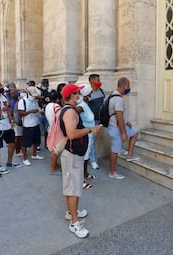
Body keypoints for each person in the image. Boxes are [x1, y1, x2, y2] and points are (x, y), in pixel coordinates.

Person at [60, 83, 102, 238]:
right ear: (72, 95)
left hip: (72, 154)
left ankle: (71, 212)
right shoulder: (70, 112)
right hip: (72, 155)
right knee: (73, 189)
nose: (79, 94)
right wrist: (90, 129)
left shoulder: (69, 110)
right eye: (77, 92)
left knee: (71, 186)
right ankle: (74, 223)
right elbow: (72, 134)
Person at [107, 77, 140, 180]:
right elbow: (119, 117)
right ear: (124, 86)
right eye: (128, 87)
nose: (129, 89)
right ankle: (112, 172)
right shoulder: (118, 99)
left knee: (134, 132)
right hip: (116, 128)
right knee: (115, 150)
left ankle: (129, 154)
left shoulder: (114, 96)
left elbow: (119, 116)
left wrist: (127, 122)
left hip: (115, 126)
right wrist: (124, 133)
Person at [76, 84, 97, 189]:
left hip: (90, 136)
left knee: (86, 157)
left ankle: (85, 174)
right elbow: (74, 115)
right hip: (84, 136)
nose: (91, 95)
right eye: (90, 93)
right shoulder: (81, 106)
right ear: (86, 95)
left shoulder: (85, 104)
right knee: (82, 158)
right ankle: (81, 180)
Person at [18, 86, 45, 166]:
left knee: (36, 141)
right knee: (25, 143)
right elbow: (20, 113)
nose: (34, 97)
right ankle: (25, 158)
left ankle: (34, 154)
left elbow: (37, 109)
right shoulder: (22, 101)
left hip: (36, 123)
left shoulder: (35, 101)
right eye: (33, 95)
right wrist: (30, 112)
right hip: (28, 125)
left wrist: (40, 112)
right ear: (28, 93)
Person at [87, 74, 105, 169]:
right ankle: (93, 160)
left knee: (93, 140)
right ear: (92, 82)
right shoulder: (87, 93)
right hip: (91, 121)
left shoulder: (101, 91)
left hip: (99, 120)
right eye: (98, 80)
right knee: (92, 141)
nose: (99, 82)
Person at [45, 89, 62, 175]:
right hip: (56, 130)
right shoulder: (56, 106)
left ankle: (54, 165)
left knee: (55, 150)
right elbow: (61, 118)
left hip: (51, 128)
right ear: (57, 99)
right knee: (56, 151)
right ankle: (53, 169)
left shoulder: (48, 105)